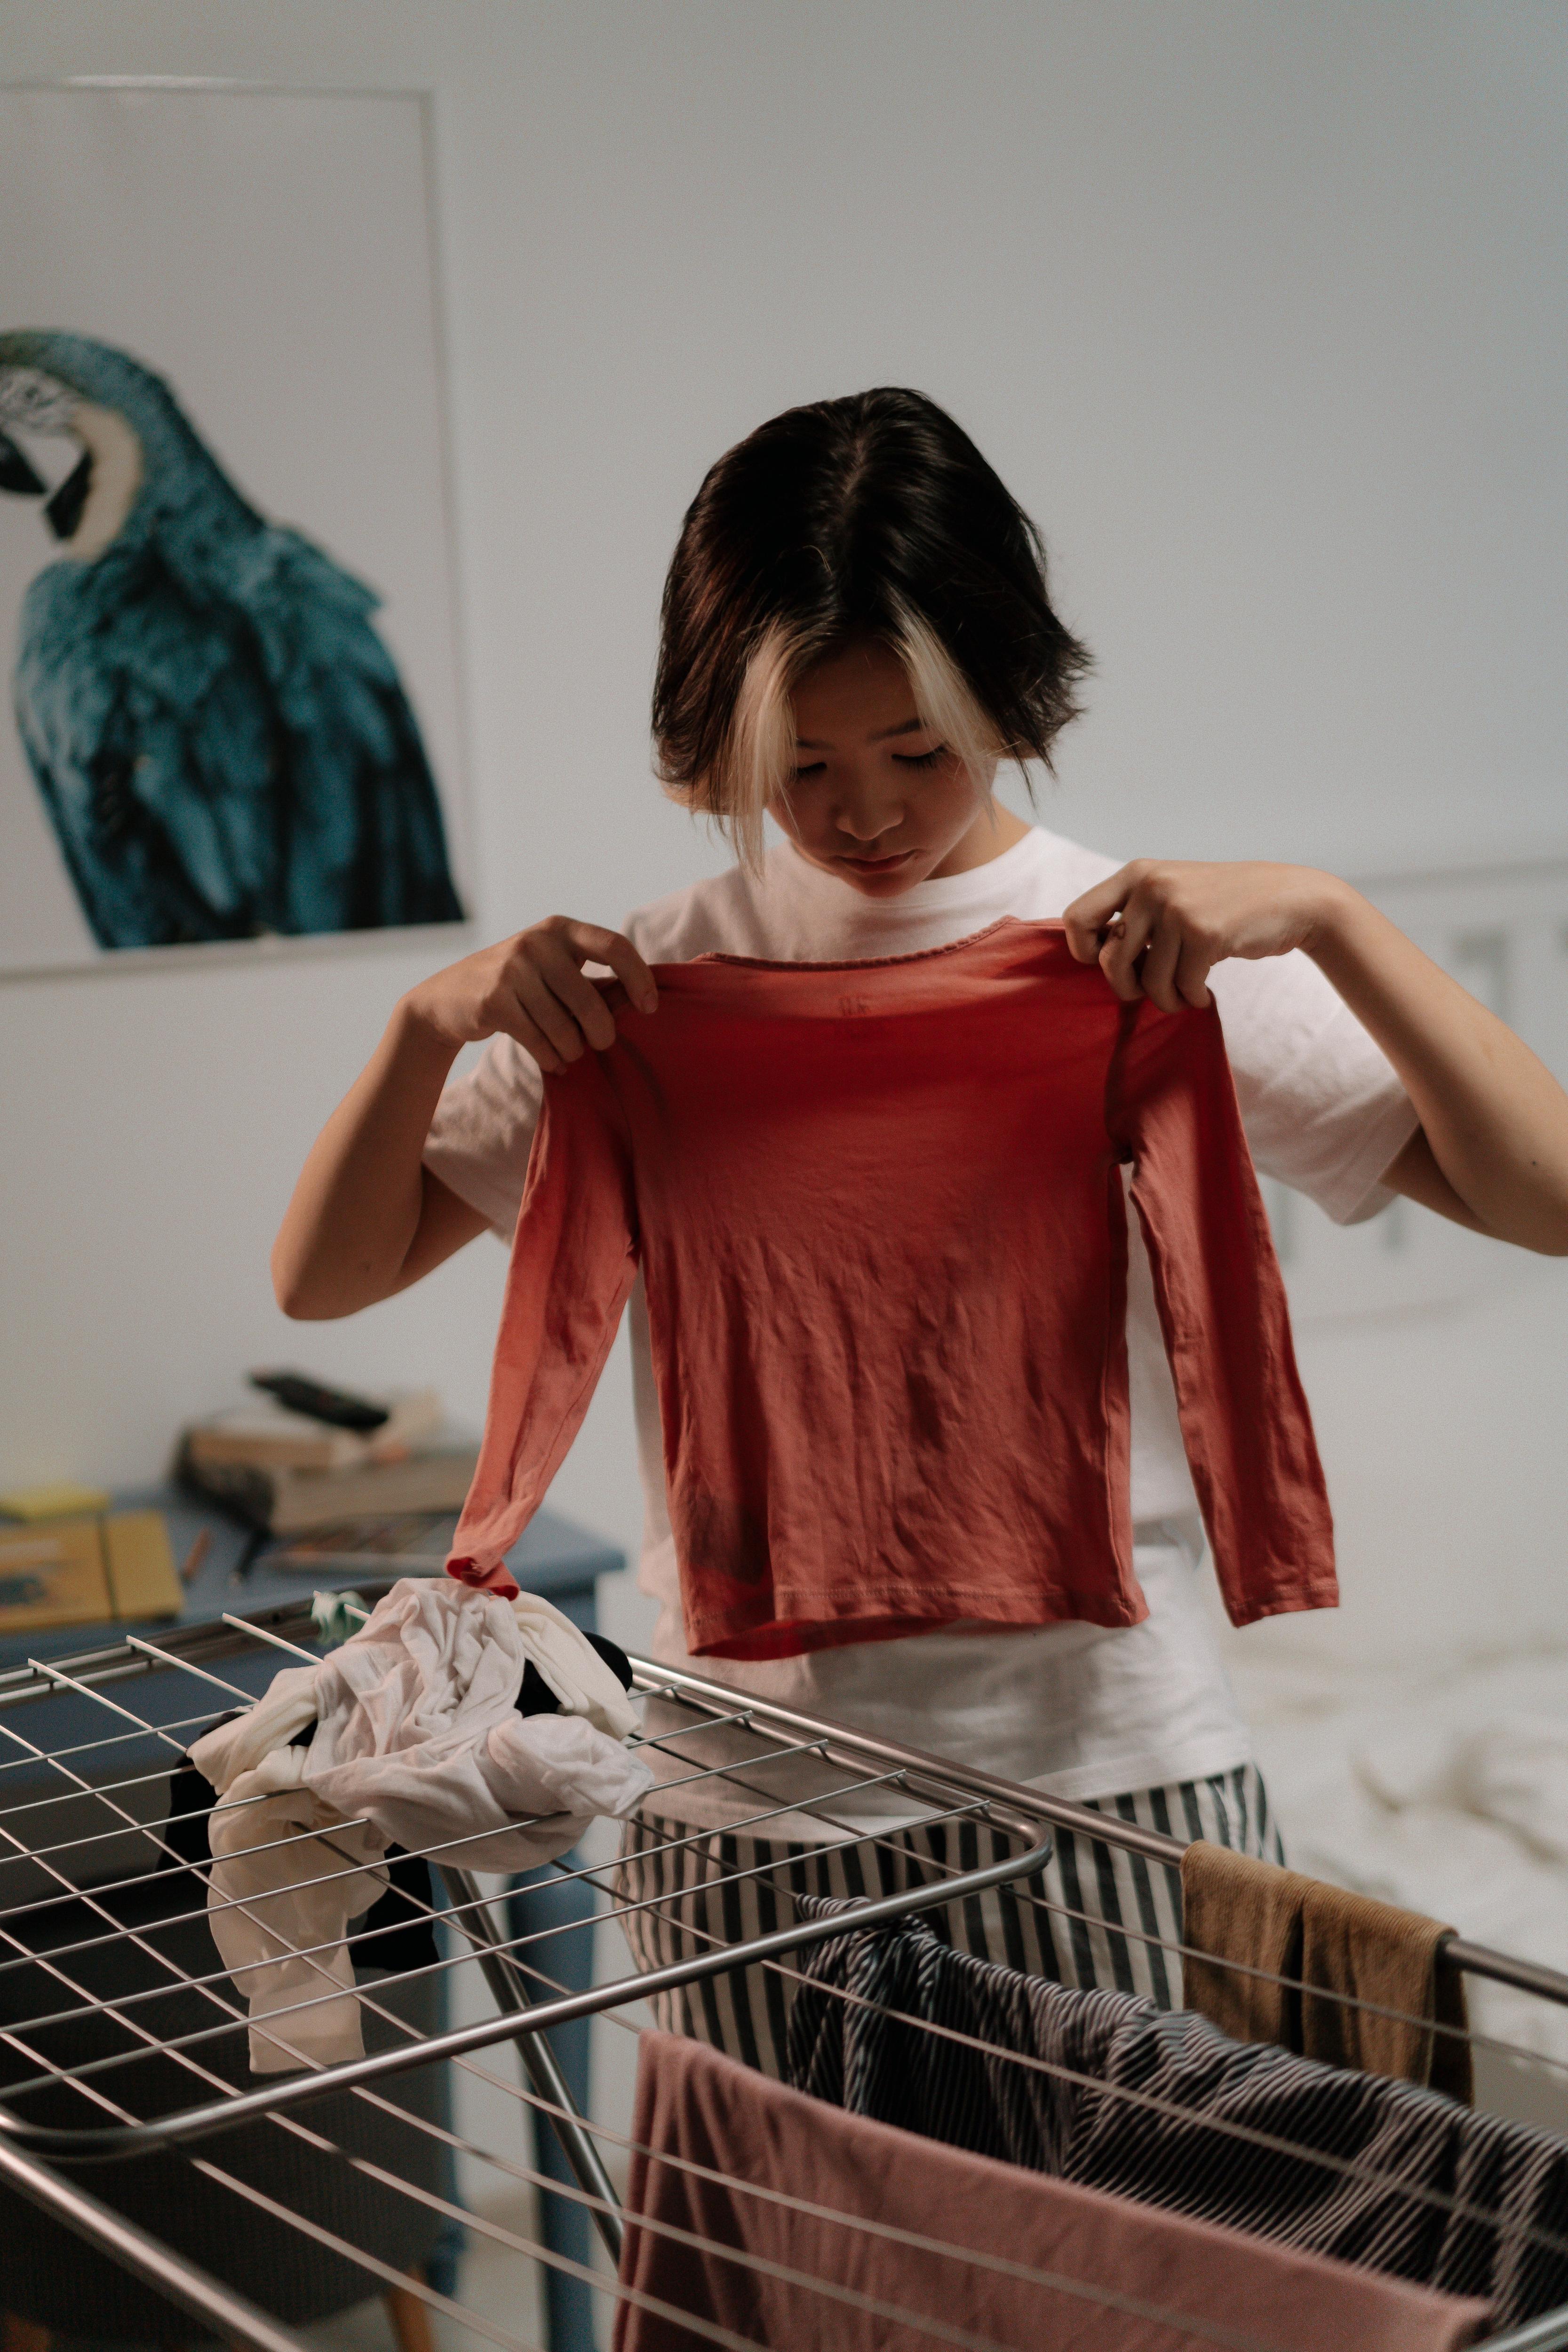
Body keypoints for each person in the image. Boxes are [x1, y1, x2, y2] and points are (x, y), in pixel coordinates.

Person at [273, 388, 1568, 2074]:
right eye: (799, 766)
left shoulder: (1140, 956)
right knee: (773, 2301)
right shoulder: (642, 994)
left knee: (1127, 2305)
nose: (863, 812)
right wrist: (430, 1024)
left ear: (1007, 701)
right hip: (741, 1800)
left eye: (917, 753)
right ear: (714, 742)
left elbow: (1549, 1198)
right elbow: (325, 1277)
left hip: (1108, 1773)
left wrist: (1330, 917)